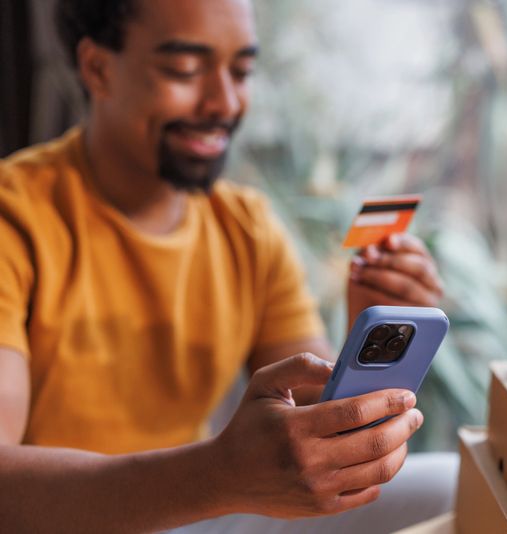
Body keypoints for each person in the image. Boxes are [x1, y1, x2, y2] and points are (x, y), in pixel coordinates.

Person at [0, 0, 457, 532]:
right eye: (185, 70)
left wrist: (373, 341)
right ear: (98, 68)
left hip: (194, 511)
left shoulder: (247, 228)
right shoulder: (17, 217)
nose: (225, 101)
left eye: (241, 71)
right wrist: (216, 476)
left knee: (453, 485)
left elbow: (315, 422)